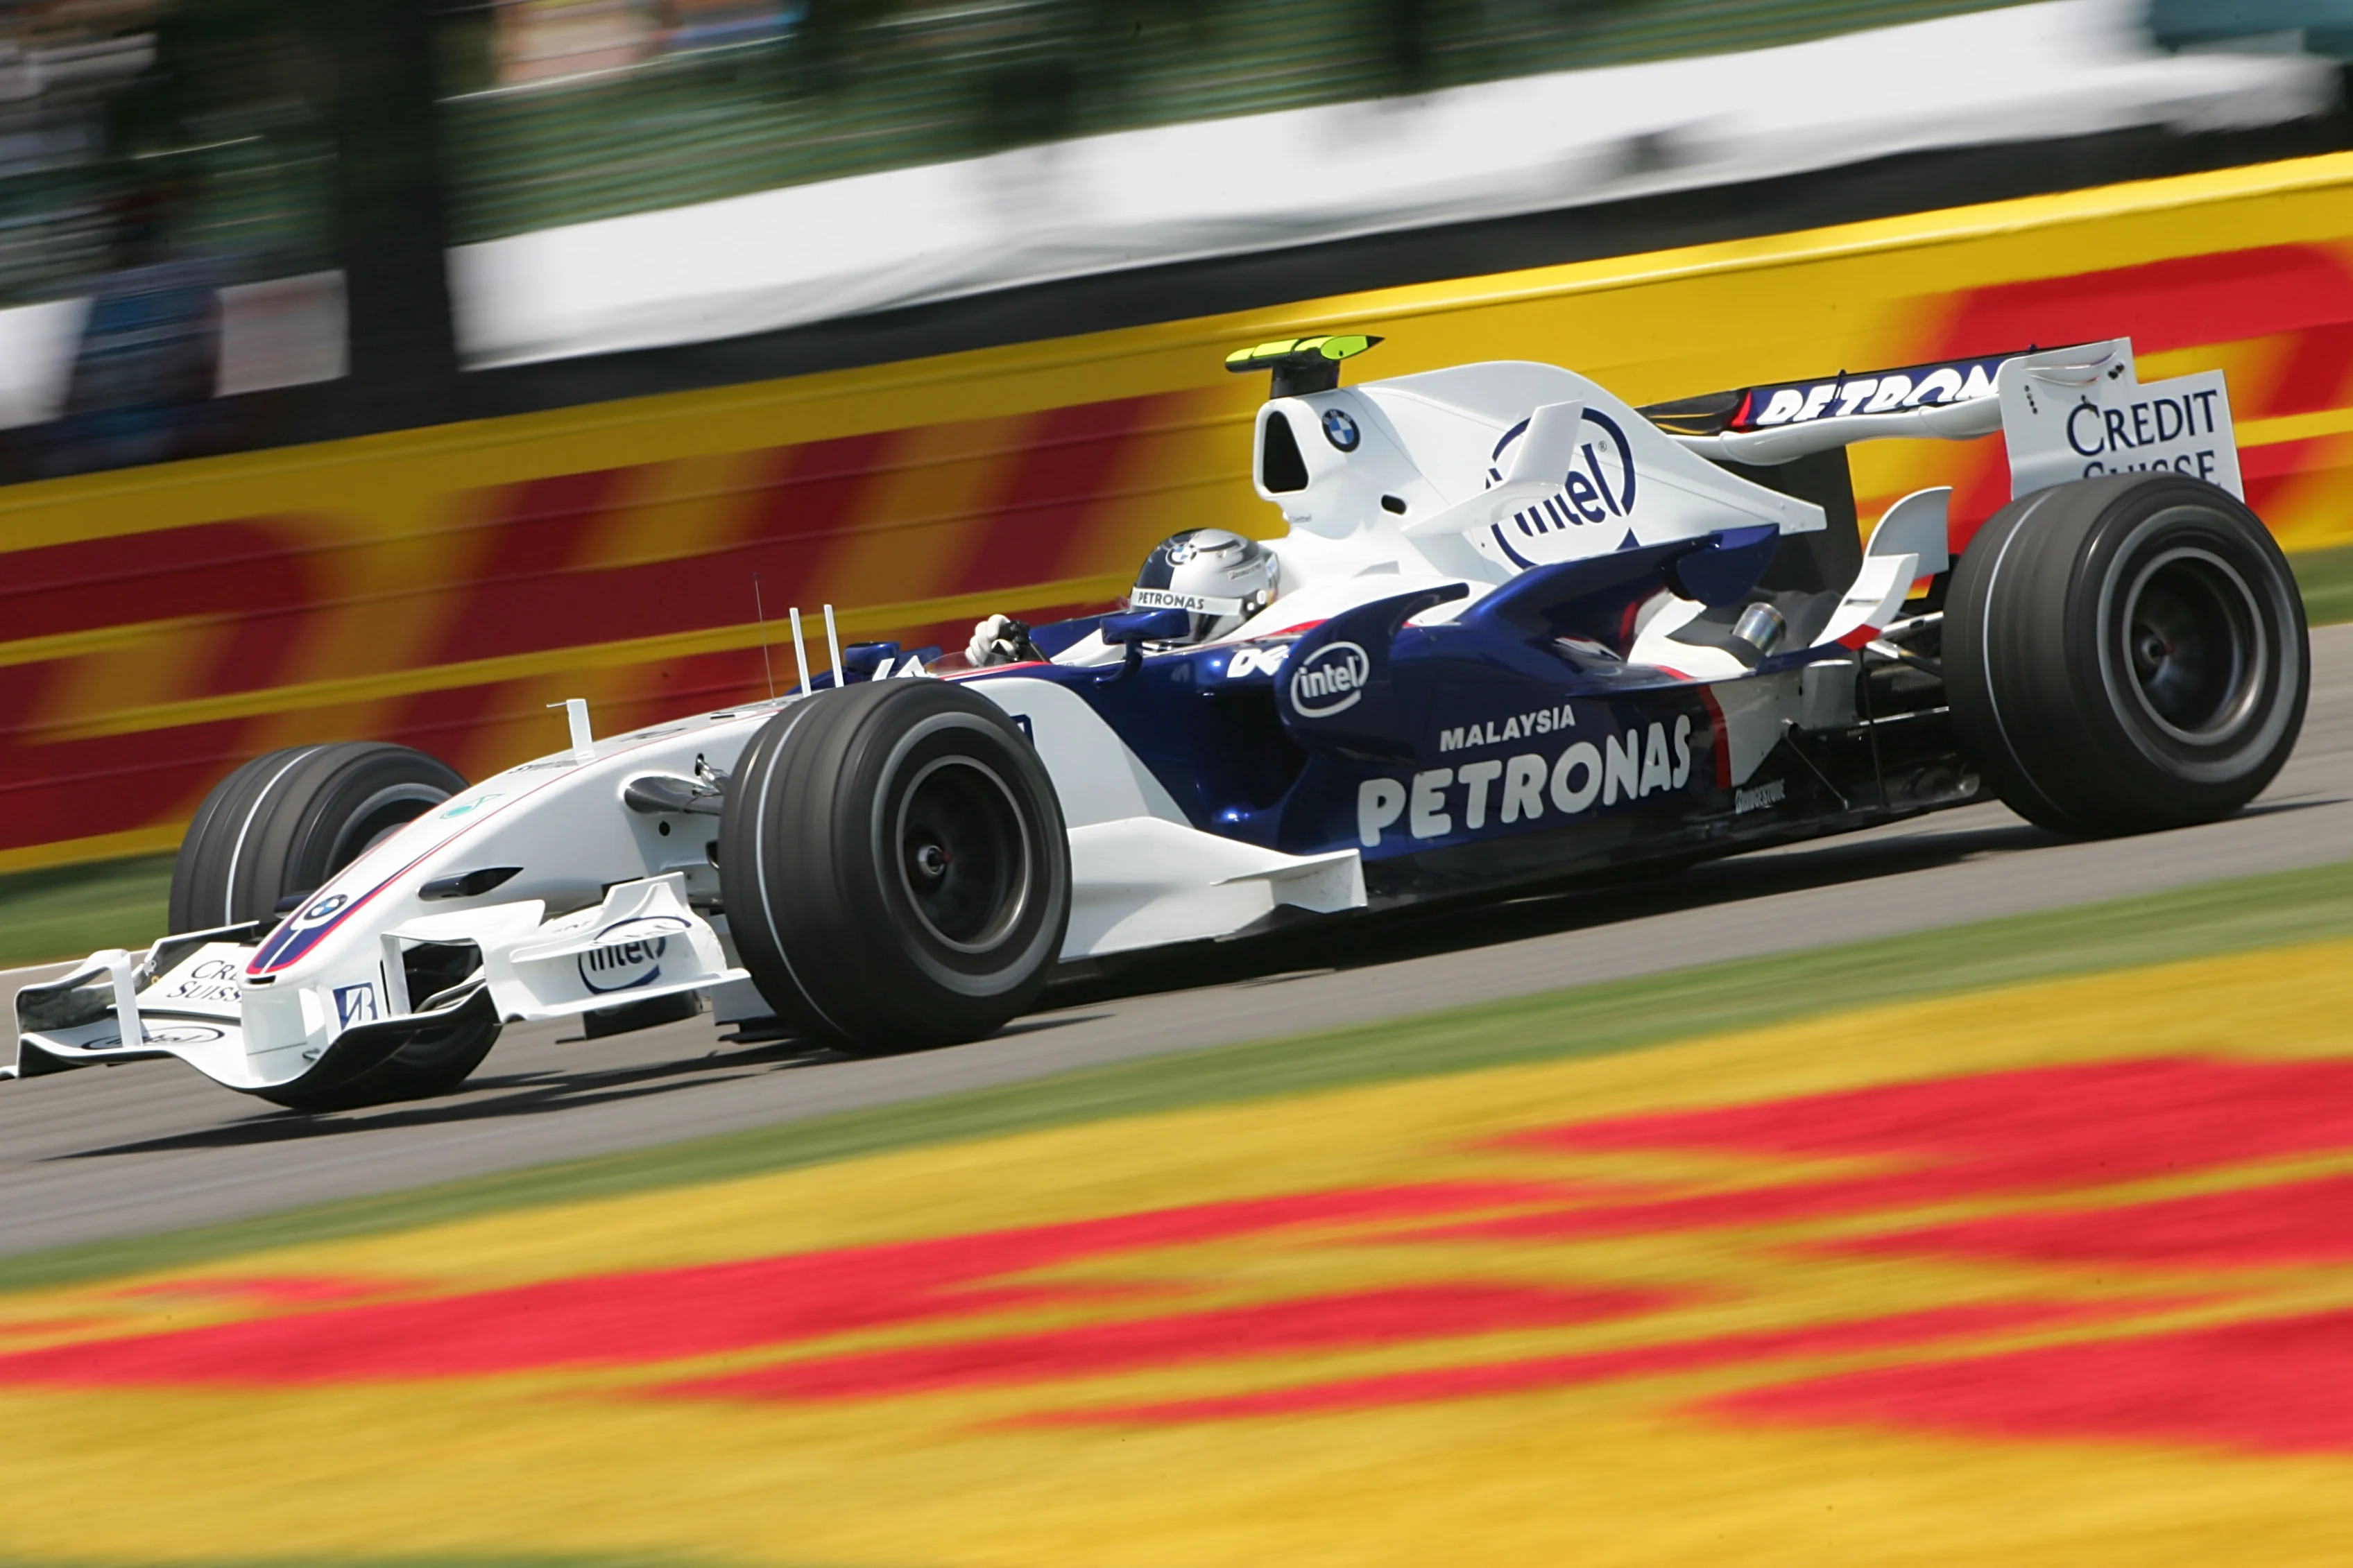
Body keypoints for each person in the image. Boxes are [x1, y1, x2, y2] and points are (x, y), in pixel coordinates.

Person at [965, 527, 1281, 667]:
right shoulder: (1121, 647)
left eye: (1175, 622)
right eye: (1144, 613)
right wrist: (1013, 665)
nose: (1151, 634)